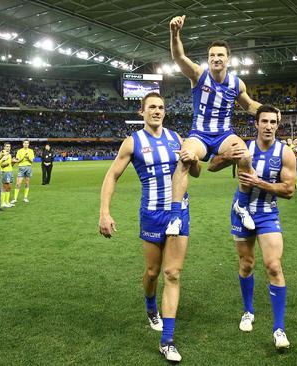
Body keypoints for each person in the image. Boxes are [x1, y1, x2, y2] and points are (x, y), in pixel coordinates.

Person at [98, 93, 201, 363]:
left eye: (161, 107)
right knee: (153, 272)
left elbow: (196, 171)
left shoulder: (176, 138)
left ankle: (167, 340)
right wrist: (104, 212)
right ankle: (150, 306)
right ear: (141, 111)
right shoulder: (133, 142)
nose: (157, 111)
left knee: (173, 273)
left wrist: (195, 158)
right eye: (152, 107)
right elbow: (112, 175)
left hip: (179, 213)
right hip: (152, 214)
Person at [166, 15, 271, 236]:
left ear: (228, 59)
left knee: (244, 155)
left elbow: (251, 106)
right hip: (200, 134)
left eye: (220, 55)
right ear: (208, 58)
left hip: (224, 134)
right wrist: (175, 33)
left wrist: (271, 111)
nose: (216, 58)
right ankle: (175, 216)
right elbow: (179, 57)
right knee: (184, 158)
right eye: (212, 55)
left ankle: (241, 205)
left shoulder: (236, 83)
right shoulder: (198, 75)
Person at [208, 105, 295, 350]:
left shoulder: (285, 153)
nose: (268, 126)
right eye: (264, 121)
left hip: (267, 213)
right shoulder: (243, 148)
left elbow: (289, 190)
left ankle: (279, 328)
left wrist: (260, 182)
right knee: (247, 264)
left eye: (273, 122)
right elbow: (211, 167)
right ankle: (248, 311)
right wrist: (227, 157)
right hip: (240, 210)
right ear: (256, 124)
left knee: (274, 266)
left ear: (278, 125)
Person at [12, 139, 34, 204]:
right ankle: (15, 198)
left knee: (27, 183)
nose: (26, 144)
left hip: (28, 167)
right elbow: (17, 160)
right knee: (18, 183)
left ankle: (25, 198)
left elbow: (32, 161)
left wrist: (28, 158)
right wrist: (23, 157)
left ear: (28, 144)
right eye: (25, 143)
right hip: (21, 167)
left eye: (27, 143)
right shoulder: (19, 151)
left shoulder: (31, 151)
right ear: (23, 144)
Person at [0, 142, 14, 208]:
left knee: (9, 187)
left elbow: (10, 164)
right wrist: (7, 163)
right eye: (7, 146)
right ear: (4, 147)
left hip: (10, 171)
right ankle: (3, 203)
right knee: (4, 187)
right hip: (5, 172)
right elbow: (0, 164)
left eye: (9, 147)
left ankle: (7, 202)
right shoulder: (3, 154)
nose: (8, 148)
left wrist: (12, 162)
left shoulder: (9, 155)